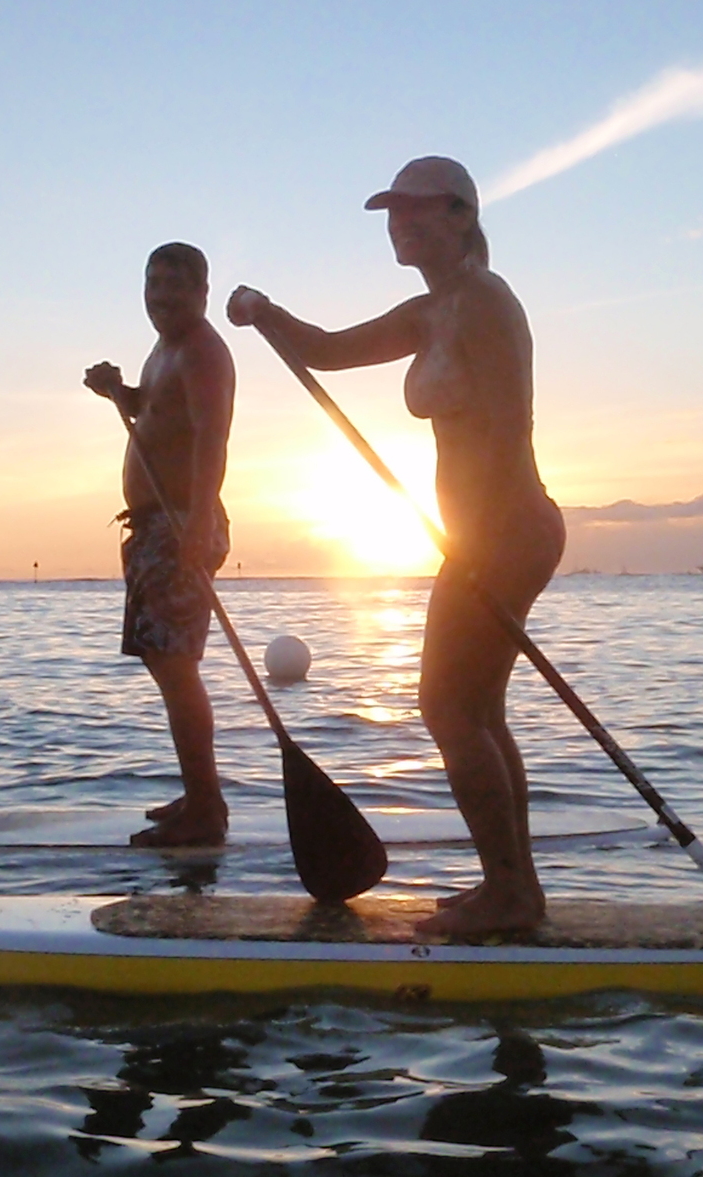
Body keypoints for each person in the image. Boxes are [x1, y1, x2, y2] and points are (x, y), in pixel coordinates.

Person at [227, 157, 566, 936]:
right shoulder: (431, 308)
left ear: (460, 215)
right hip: (486, 533)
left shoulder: (482, 300)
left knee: (447, 707)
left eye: (417, 212)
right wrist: (265, 312)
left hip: (506, 527)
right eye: (392, 212)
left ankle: (511, 894)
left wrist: (476, 539)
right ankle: (514, 888)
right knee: (476, 709)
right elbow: (328, 351)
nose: (401, 225)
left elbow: (512, 429)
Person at [84, 243, 235, 847]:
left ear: (201, 292)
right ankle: (201, 795)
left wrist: (197, 525)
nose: (162, 295)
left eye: (177, 285)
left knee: (177, 669)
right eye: (154, 283)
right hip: (157, 528)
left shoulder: (201, 350)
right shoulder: (165, 349)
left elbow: (210, 439)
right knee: (167, 668)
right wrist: (119, 393)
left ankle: (206, 810)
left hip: (179, 527)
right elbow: (157, 415)